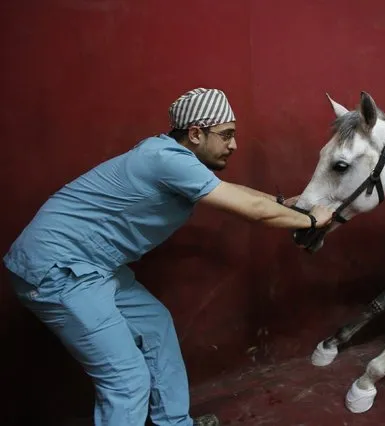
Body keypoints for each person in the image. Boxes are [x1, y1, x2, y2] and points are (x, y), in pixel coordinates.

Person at [3, 88, 333, 426]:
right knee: (126, 379)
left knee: (156, 325)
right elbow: (251, 210)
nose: (233, 145)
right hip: (57, 269)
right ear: (195, 134)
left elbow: (237, 194)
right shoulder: (166, 160)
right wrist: (310, 220)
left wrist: (283, 204)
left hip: (93, 266)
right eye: (226, 135)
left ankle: (174, 423)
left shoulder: (173, 157)